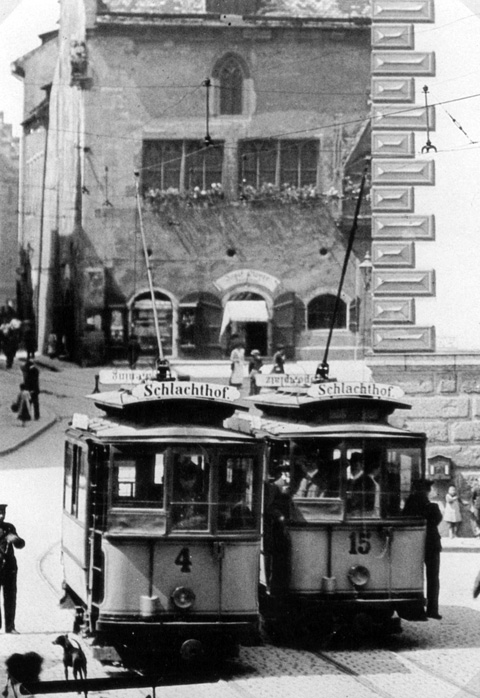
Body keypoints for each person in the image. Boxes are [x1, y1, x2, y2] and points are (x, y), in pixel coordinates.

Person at [403, 479, 442, 620]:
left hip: (413, 544)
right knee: (433, 578)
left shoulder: (410, 504)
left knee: (414, 575)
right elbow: (437, 520)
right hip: (431, 544)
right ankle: (432, 609)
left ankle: (416, 608)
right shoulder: (432, 507)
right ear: (426, 491)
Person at [0, 504, 25, 633]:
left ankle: (10, 627)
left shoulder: (9, 527)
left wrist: (15, 539)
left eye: (3, 513)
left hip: (9, 568)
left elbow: (21, 545)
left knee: (10, 598)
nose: (1, 516)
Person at [172, 459, 206, 530]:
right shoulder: (174, 498)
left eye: (190, 479)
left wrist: (198, 519)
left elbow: (206, 516)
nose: (186, 483)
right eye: (183, 479)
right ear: (180, 480)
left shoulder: (201, 497)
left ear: (195, 479)